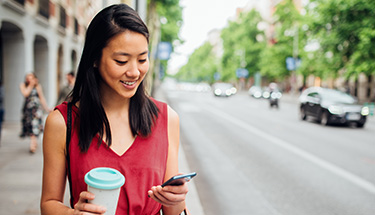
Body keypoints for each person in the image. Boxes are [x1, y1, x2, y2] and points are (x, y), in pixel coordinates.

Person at [41, 4, 189, 215]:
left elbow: (171, 211)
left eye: (142, 59)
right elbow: (48, 203)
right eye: (121, 61)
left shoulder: (167, 119)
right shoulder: (62, 122)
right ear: (94, 58)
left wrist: (176, 200)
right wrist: (74, 214)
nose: (135, 72)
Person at [19, 73, 51, 153]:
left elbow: (41, 97)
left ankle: (32, 144)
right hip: (28, 110)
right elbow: (26, 94)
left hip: (36, 110)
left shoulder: (38, 86)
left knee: (35, 126)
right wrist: (31, 85)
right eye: (28, 78)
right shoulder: (23, 85)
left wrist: (46, 108)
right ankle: (33, 142)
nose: (29, 79)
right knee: (30, 126)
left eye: (31, 78)